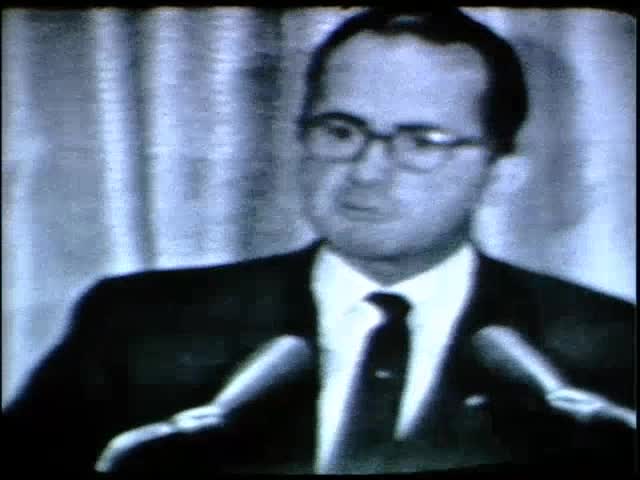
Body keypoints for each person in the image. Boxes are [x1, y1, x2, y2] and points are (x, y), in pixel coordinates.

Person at [5, 8, 636, 475]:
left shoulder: (606, 347)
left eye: (420, 142)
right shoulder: (138, 327)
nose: (364, 170)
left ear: (501, 175)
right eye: (341, 130)